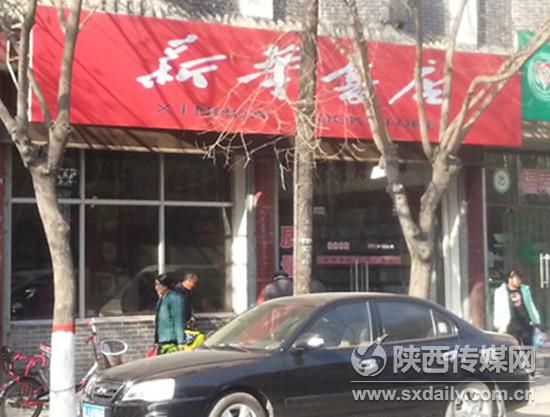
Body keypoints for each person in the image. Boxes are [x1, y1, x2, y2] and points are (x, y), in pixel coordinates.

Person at [493, 269, 541, 346]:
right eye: (517, 279)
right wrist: (498, 325)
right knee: (513, 348)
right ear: (510, 279)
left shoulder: (524, 289)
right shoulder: (501, 292)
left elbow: (530, 305)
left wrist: (536, 320)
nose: (519, 281)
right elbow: (498, 309)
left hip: (525, 323)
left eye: (520, 279)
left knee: (529, 347)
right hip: (510, 325)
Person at [154, 273, 186, 354]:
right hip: (162, 341)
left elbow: (178, 320)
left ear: (165, 286)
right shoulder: (162, 299)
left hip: (170, 341)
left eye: (158, 285)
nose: (156, 288)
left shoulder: (173, 298)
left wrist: (180, 342)